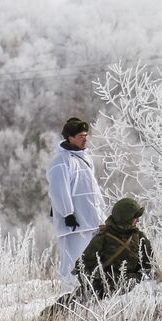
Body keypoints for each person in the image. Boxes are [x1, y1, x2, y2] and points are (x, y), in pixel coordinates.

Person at [47, 116, 107, 292]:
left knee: (91, 259)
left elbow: (92, 189)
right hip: (74, 223)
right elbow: (58, 189)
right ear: (70, 138)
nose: (85, 138)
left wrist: (101, 212)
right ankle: (68, 292)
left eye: (86, 135)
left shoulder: (84, 157)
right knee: (72, 261)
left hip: (91, 220)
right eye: (81, 136)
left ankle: (89, 291)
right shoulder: (61, 160)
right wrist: (67, 213)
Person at [75, 196, 155, 298]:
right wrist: (94, 283)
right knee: (68, 303)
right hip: (104, 287)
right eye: (135, 218)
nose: (138, 221)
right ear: (126, 218)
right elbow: (82, 266)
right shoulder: (103, 237)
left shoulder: (139, 237)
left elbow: (150, 266)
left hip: (132, 288)